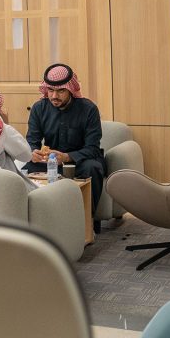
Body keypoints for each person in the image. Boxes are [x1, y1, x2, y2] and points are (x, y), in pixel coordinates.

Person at [23, 63, 106, 231]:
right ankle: (36, 224)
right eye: (50, 90)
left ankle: (87, 223)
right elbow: (32, 140)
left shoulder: (88, 109)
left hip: (81, 161)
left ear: (70, 90)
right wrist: (33, 152)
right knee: (27, 167)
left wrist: (67, 157)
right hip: (52, 162)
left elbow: (92, 148)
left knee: (93, 168)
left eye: (60, 91)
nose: (54, 96)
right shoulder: (39, 108)